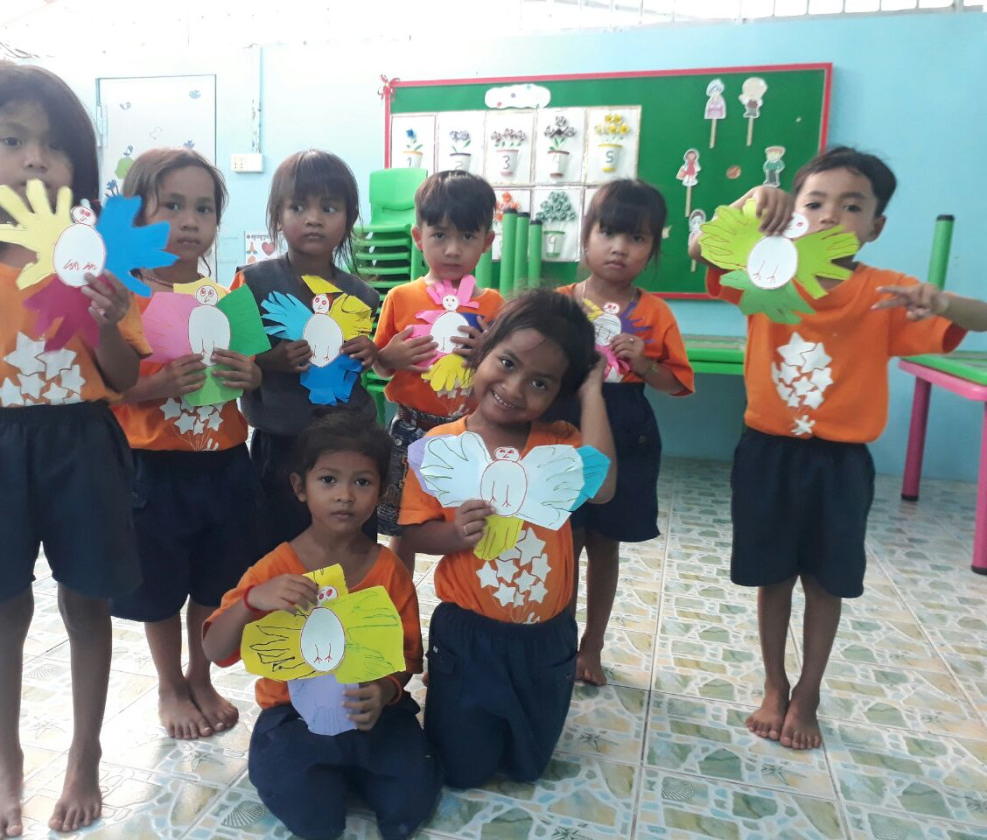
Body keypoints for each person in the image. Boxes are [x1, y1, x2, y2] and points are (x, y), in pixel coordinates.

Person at [0, 61, 149, 837]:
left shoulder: (96, 255)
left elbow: (122, 378)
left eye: (55, 145)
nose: (36, 159)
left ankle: (85, 756)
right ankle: (4, 766)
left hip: (83, 442)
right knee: (1, 608)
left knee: (88, 603)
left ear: (78, 163)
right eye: (13, 140)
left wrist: (107, 318)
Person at [691, 146, 974, 750]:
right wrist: (750, 201)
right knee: (772, 578)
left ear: (876, 225)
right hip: (768, 452)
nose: (830, 216)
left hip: (840, 463)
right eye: (815, 202)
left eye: (851, 206)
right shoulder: (766, 270)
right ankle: (774, 684)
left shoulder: (887, 294)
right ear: (794, 212)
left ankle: (809, 693)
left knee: (826, 583)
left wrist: (942, 303)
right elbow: (701, 249)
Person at [400, 290, 617, 788]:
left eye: (540, 382)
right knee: (460, 770)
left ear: (558, 392)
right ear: (483, 351)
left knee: (528, 768)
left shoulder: (561, 444)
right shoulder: (440, 447)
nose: (514, 388)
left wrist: (592, 393)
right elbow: (413, 532)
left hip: (546, 639)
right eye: (507, 363)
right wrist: (454, 534)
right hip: (468, 636)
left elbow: (604, 487)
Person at [203, 409, 440, 840]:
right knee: (314, 819)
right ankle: (322, 777)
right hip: (293, 717)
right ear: (300, 487)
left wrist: (385, 690)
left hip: (373, 712)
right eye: (328, 480)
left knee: (408, 807)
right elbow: (215, 650)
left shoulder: (389, 570)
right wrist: (252, 601)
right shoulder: (273, 570)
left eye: (362, 482)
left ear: (381, 493)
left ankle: (362, 770)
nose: (344, 496)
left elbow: (407, 656)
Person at [109, 148, 263, 740]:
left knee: (214, 582)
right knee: (159, 588)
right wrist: (156, 385)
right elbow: (103, 388)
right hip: (152, 470)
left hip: (225, 464)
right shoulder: (125, 300)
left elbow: (249, 374)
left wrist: (252, 374)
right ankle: (169, 685)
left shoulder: (226, 297)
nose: (189, 221)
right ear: (138, 216)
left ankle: (201, 676)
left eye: (203, 208)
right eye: (172, 206)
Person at [556, 179, 694, 686]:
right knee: (563, 541)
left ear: (653, 249)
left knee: (605, 544)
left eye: (636, 238)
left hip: (628, 429)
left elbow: (677, 384)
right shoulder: (561, 304)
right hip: (564, 426)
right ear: (586, 236)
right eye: (608, 232)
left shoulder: (656, 313)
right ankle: (558, 641)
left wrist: (645, 363)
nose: (619, 248)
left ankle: (592, 646)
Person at [236, 150, 380, 546]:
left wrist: (369, 353)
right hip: (281, 444)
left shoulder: (361, 295)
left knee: (349, 547)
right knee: (278, 549)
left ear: (349, 218)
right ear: (277, 214)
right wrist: (272, 361)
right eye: (298, 207)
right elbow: (236, 360)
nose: (313, 218)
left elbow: (358, 371)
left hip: (347, 444)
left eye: (329, 208)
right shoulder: (253, 283)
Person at [373, 170, 504, 571]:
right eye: (440, 235)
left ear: (487, 242)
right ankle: (402, 599)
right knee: (405, 528)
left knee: (470, 522)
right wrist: (390, 357)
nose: (452, 249)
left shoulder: (495, 305)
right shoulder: (400, 297)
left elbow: (506, 374)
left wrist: (487, 356)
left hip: (473, 434)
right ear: (419, 237)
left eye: (467, 237)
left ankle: (463, 594)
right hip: (412, 428)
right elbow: (378, 365)